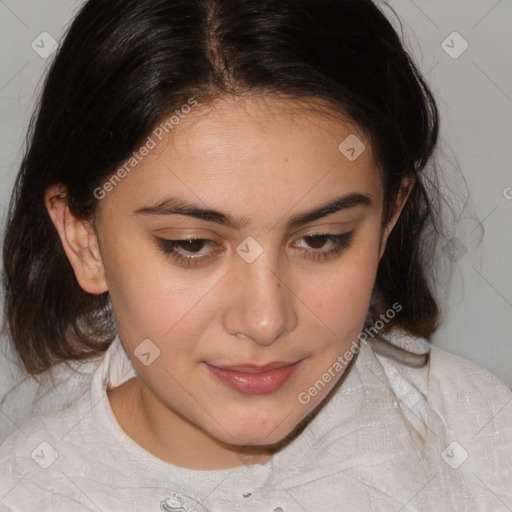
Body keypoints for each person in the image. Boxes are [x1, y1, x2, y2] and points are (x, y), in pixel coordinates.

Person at [0, 0, 510, 510]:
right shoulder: (27, 492)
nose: (265, 321)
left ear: (387, 220)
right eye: (192, 245)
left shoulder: (484, 442)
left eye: (320, 239)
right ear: (83, 239)